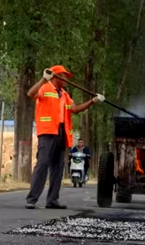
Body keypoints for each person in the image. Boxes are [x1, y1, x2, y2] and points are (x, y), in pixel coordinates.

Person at [25, 65, 104, 209]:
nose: (67, 78)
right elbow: (31, 93)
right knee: (42, 165)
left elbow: (75, 109)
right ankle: (32, 199)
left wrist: (93, 101)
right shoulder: (45, 87)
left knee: (58, 167)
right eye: (64, 75)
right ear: (55, 76)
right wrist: (43, 79)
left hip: (61, 133)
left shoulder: (64, 94)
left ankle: (52, 200)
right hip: (48, 131)